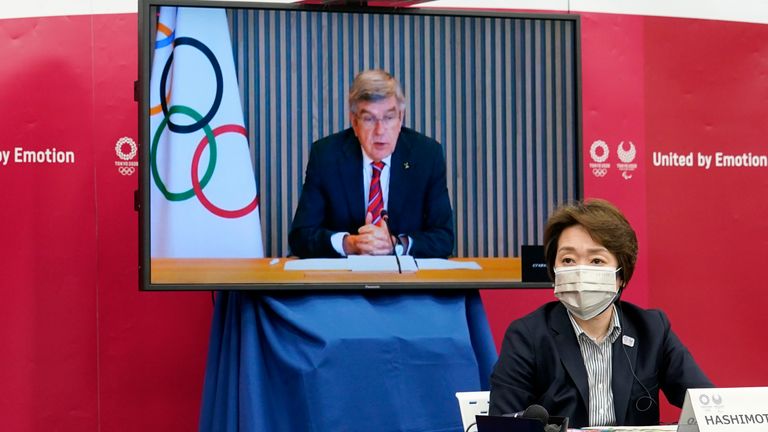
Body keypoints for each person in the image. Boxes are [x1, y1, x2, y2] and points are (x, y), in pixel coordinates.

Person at [489, 199, 713, 428]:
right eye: (568, 260)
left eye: (596, 260)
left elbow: (709, 409)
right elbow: (502, 424)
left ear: (621, 275)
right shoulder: (528, 336)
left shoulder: (652, 329)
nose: (580, 270)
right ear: (554, 271)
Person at [288, 69, 454, 258]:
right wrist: (349, 243)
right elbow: (300, 236)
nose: (380, 130)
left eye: (389, 117)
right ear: (354, 122)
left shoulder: (426, 155)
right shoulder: (326, 155)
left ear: (401, 118)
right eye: (369, 119)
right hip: (344, 281)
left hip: (406, 281)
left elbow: (444, 237)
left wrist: (395, 244)